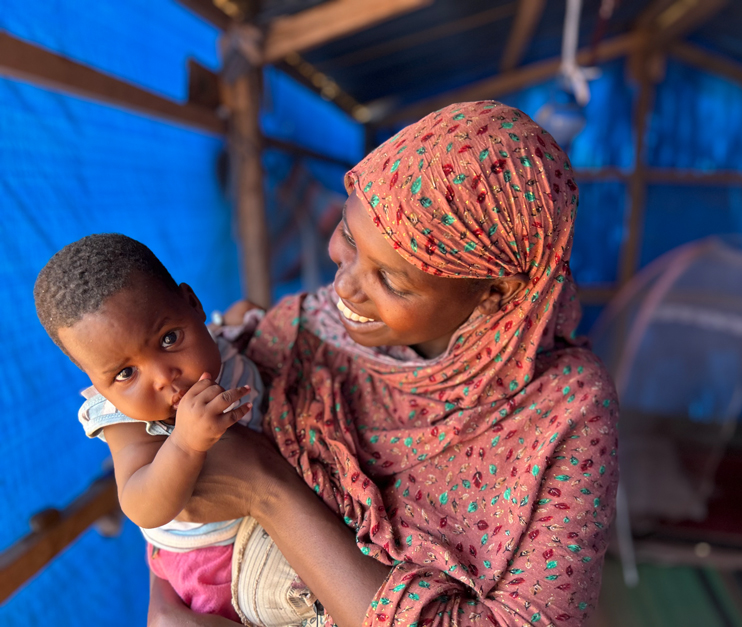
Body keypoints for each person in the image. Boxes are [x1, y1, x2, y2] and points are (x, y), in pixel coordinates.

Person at [156, 100, 618, 627]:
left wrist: (271, 493)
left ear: (495, 292)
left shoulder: (566, 409)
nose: (345, 286)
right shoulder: (305, 327)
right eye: (349, 238)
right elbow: (173, 439)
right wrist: (164, 600)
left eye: (393, 280)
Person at [33, 234, 312, 624]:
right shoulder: (126, 423)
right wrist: (184, 444)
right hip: (214, 565)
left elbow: (232, 320)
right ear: (98, 386)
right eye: (125, 374)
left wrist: (243, 315)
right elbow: (140, 503)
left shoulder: (219, 343)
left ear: (193, 305)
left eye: (169, 339)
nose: (164, 378)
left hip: (277, 511)